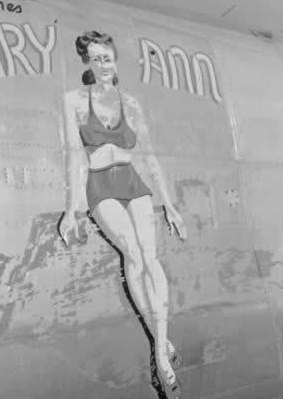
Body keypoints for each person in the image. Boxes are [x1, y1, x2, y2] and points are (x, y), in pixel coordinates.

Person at [58, 30, 187, 398]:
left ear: (115, 60)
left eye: (108, 57)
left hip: (133, 182)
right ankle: (162, 351)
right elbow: (73, 154)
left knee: (150, 257)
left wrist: (169, 202)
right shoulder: (73, 101)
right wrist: (72, 208)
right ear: (88, 62)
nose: (103, 64)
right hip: (100, 185)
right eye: (96, 58)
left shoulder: (130, 102)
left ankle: (160, 347)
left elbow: (148, 155)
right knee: (132, 253)